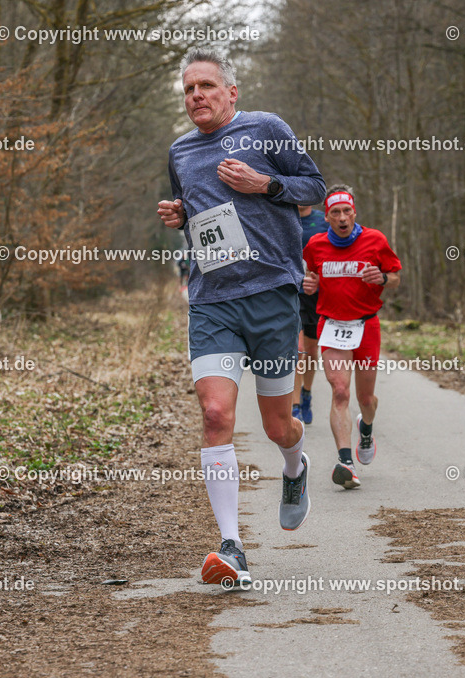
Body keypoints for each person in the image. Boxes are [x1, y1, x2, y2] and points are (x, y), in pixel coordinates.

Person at [156, 48, 326, 587]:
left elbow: (314, 188)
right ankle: (232, 546)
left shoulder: (266, 129)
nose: (197, 96)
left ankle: (295, 467)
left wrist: (265, 185)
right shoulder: (180, 151)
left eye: (206, 86)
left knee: (278, 424)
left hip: (272, 293)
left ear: (232, 92)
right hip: (212, 299)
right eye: (188, 90)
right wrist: (178, 215)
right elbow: (194, 211)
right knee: (213, 413)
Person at [302, 185, 401, 489]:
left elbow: (395, 276)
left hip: (366, 326)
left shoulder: (375, 240)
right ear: (327, 218)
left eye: (347, 211)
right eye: (335, 213)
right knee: (340, 392)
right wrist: (310, 284)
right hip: (331, 326)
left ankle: (366, 428)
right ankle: (345, 462)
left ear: (354, 212)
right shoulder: (315, 246)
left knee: (365, 398)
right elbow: (311, 277)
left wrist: (383, 277)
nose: (342, 217)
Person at [291, 204, 328, 424]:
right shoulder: (283, 215)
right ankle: (295, 406)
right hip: (291, 292)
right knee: (299, 350)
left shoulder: (324, 221)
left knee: (312, 351)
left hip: (316, 293)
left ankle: (307, 392)